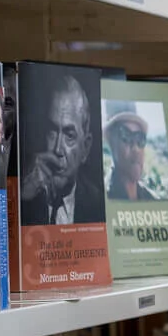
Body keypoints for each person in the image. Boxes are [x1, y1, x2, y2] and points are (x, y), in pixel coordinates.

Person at [18, 76, 102, 226]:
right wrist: (22, 199)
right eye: (52, 132)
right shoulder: (23, 197)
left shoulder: (98, 206)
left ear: (86, 148)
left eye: (69, 135)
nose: (57, 149)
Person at [105, 109, 157, 200]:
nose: (136, 149)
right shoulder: (103, 198)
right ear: (111, 142)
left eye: (140, 139)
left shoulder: (152, 199)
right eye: (126, 135)